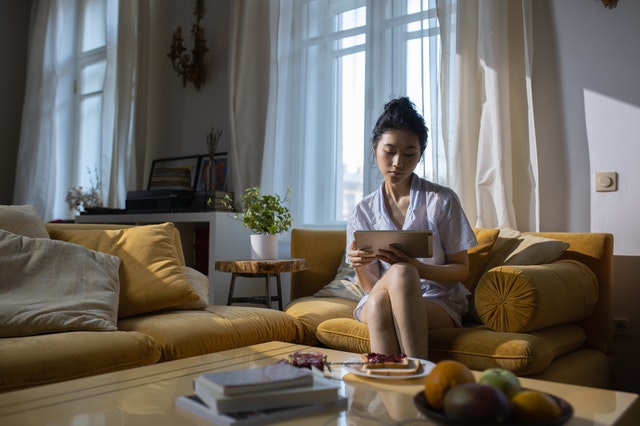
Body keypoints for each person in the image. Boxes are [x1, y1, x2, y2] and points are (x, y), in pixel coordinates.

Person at [346, 97, 477, 360]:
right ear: (374, 149)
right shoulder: (363, 211)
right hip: (380, 295)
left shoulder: (441, 200)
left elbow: (462, 269)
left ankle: (406, 376)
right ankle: (411, 381)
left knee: (400, 277)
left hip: (437, 301)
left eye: (409, 154)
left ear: (420, 155)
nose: (398, 162)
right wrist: (359, 264)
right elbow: (372, 288)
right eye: (389, 151)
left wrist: (418, 269)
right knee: (384, 295)